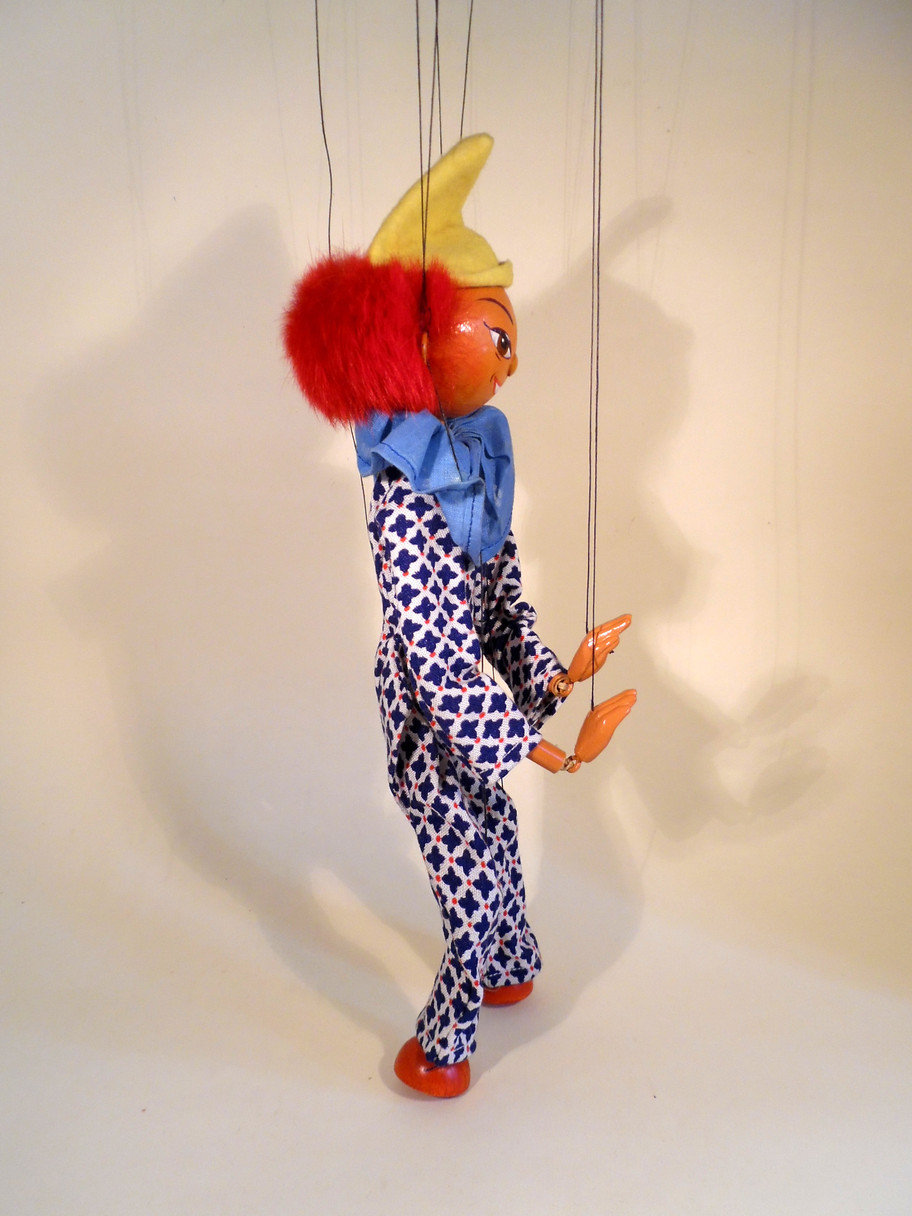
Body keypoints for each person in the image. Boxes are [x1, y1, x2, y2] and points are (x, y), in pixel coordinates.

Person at [284, 135, 635, 1098]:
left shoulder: (471, 471)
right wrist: (549, 750)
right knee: (470, 885)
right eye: (498, 338)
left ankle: (514, 965)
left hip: (470, 706)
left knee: (498, 834)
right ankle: (444, 1045)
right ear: (421, 344)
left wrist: (559, 671)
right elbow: (439, 655)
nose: (511, 367)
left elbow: (498, 599)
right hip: (426, 724)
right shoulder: (406, 495)